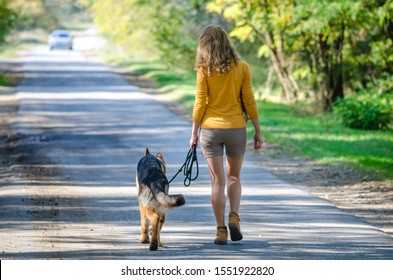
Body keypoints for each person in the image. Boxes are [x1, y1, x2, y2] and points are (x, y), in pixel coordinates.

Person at [189, 25, 263, 245]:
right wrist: (258, 130)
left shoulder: (204, 70)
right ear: (226, 42)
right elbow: (249, 99)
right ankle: (234, 217)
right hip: (236, 129)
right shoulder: (243, 67)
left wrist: (194, 132)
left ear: (206, 46)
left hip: (210, 130)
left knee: (217, 182)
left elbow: (200, 100)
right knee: (234, 178)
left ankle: (221, 230)